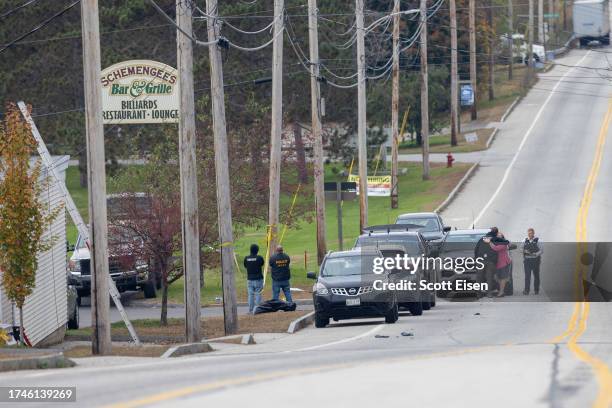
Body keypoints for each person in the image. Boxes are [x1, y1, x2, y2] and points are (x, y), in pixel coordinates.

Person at [475, 227, 499, 297]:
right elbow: (498, 251)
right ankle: (489, 293)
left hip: (481, 261)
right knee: (489, 277)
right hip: (491, 261)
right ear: (496, 233)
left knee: (479, 277)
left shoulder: (482, 239)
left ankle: (478, 293)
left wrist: (477, 259)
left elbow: (476, 250)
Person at [487, 232, 512, 298]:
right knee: (497, 277)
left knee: (503, 278)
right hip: (497, 263)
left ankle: (501, 292)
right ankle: (501, 289)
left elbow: (496, 248)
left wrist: (489, 242)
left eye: (500, 236)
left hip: (504, 263)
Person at [244, 244, 264, 314]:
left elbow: (245, 266)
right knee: (258, 294)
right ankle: (257, 310)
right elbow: (262, 263)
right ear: (257, 251)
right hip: (258, 279)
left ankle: (251, 310)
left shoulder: (246, 258)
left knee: (250, 295)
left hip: (250, 279)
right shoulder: (259, 258)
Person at [522, 228, 543, 295]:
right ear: (527, 233)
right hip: (527, 260)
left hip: (535, 260)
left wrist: (536, 254)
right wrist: (524, 251)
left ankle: (536, 290)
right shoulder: (524, 240)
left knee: (536, 275)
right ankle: (526, 290)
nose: (530, 234)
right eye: (529, 233)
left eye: (531, 233)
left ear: (533, 233)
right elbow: (520, 248)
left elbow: (542, 250)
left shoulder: (538, 240)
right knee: (527, 276)